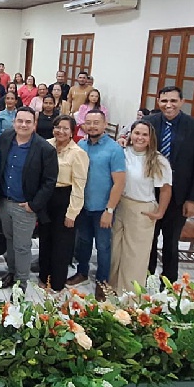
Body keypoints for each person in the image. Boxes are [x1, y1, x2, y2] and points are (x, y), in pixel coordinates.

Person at [142, 87, 194, 284]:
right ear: (158, 101)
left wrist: (193, 199)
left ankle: (168, 282)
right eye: (164, 101)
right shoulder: (150, 123)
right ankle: (146, 278)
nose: (168, 105)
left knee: (171, 242)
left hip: (179, 196)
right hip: (151, 192)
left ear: (182, 102)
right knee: (149, 239)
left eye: (173, 101)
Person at [0, 106, 58, 291]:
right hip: (5, 202)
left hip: (25, 207)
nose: (23, 125)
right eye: (20, 121)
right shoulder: (6, 138)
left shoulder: (45, 149)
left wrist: (34, 205)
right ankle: (12, 272)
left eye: (28, 122)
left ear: (34, 124)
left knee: (22, 246)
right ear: (14, 122)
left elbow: (49, 182)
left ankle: (21, 283)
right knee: (9, 240)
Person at [67, 109, 126, 300]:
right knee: (82, 243)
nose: (92, 126)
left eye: (96, 123)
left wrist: (109, 209)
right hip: (83, 206)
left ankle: (102, 282)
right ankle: (82, 272)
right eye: (88, 122)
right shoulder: (81, 145)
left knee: (103, 246)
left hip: (103, 207)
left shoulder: (114, 149)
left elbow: (119, 183)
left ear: (104, 124)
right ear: (83, 125)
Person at [110, 120, 172, 294]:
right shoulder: (122, 152)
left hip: (142, 208)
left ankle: (129, 295)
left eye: (145, 134)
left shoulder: (158, 160)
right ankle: (113, 288)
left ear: (151, 138)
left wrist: (160, 212)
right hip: (121, 204)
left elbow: (166, 188)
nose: (140, 137)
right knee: (116, 250)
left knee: (135, 255)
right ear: (130, 135)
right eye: (137, 133)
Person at [38, 115, 87, 291]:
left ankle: (57, 282)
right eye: (58, 127)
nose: (61, 131)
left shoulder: (78, 153)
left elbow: (79, 186)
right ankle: (44, 277)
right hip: (46, 196)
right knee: (45, 239)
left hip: (65, 198)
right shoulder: (45, 145)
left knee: (62, 243)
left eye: (65, 128)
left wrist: (72, 212)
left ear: (72, 131)